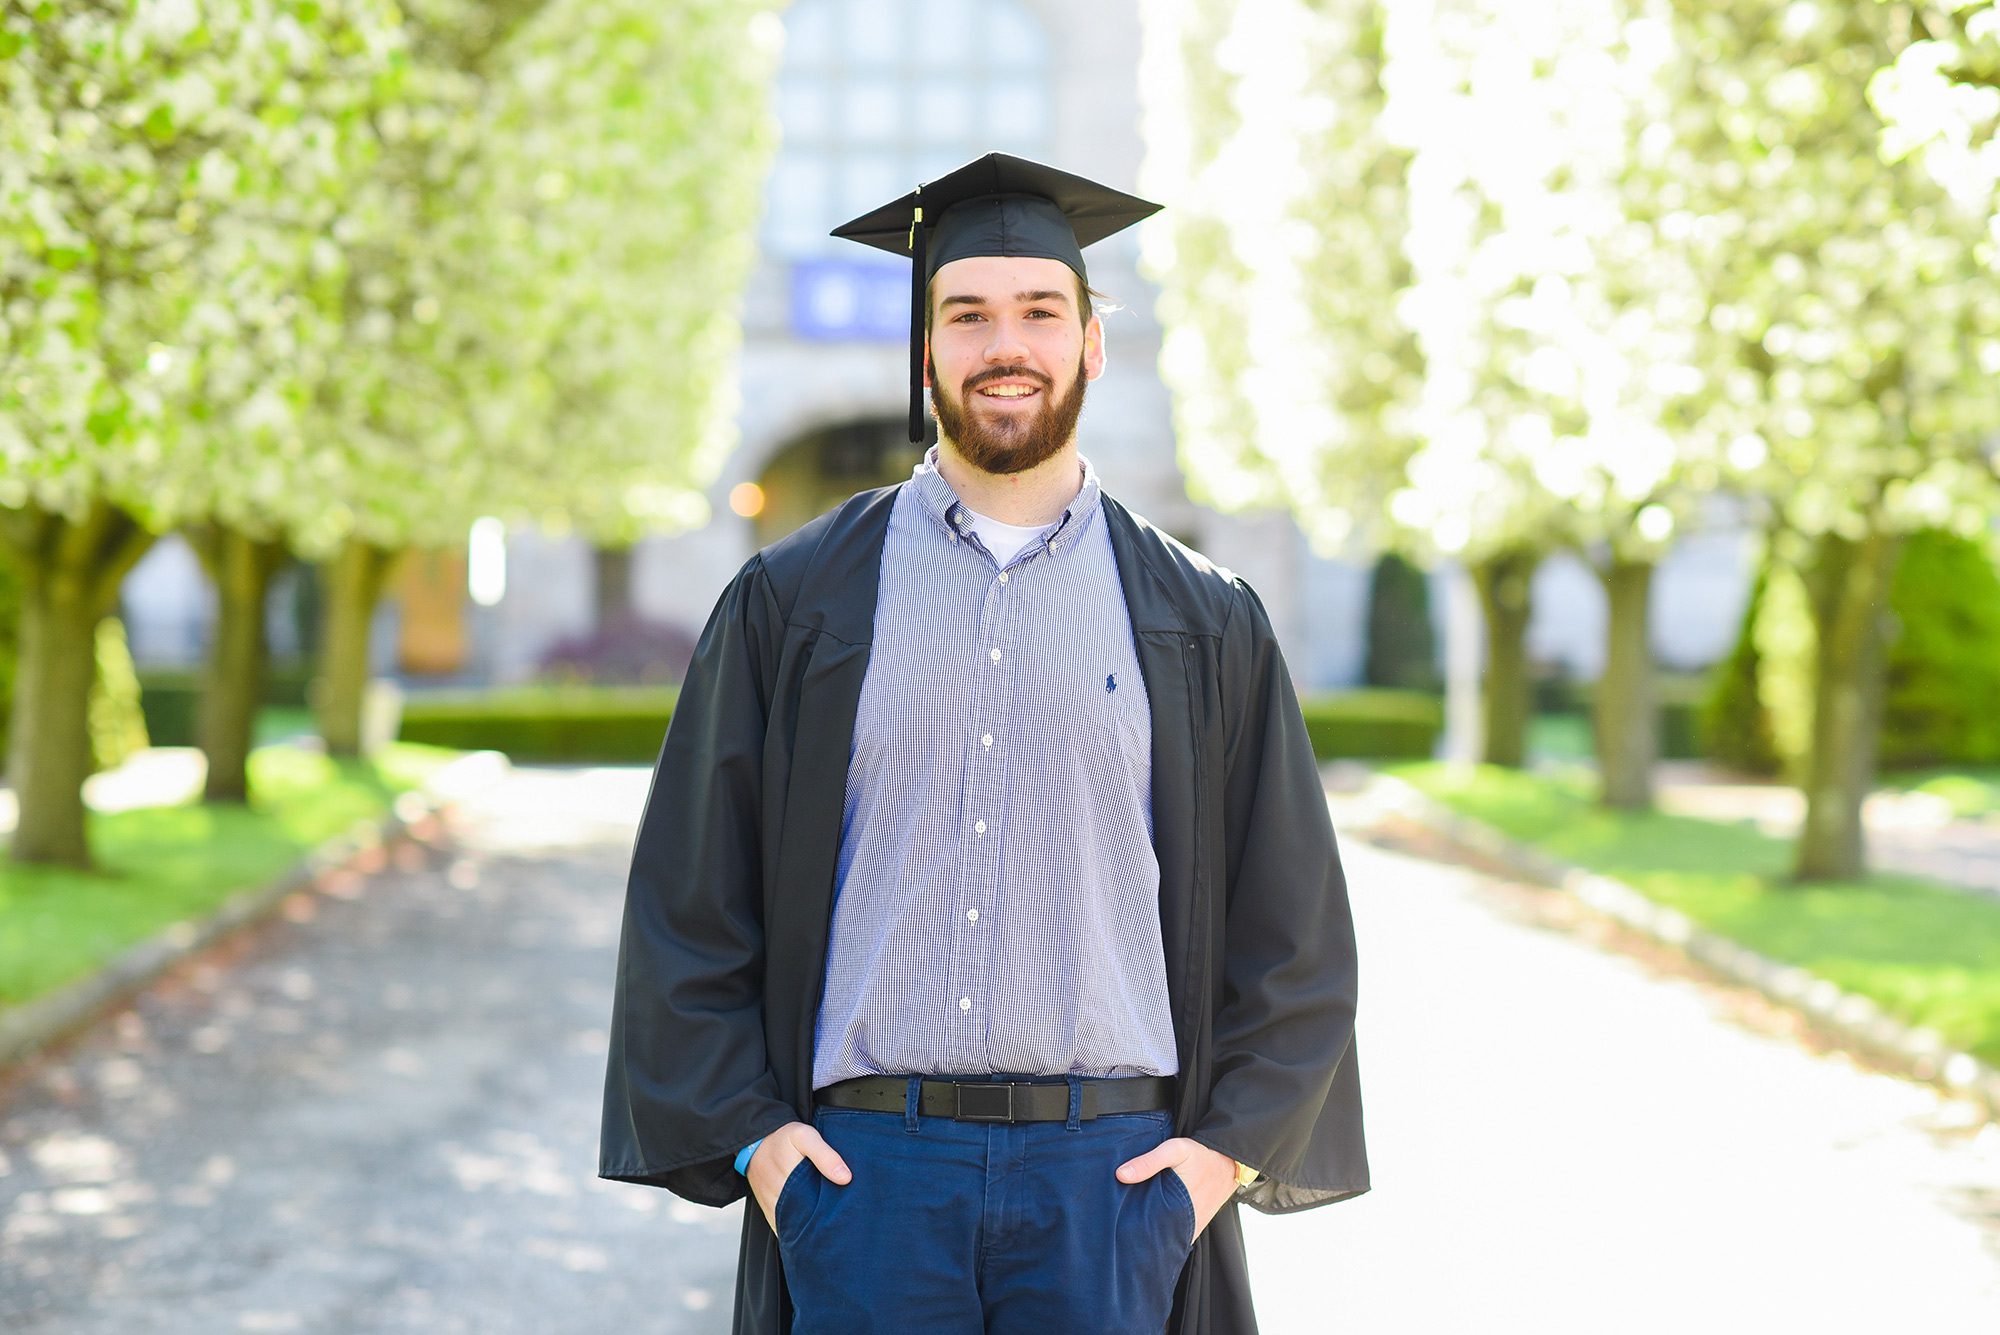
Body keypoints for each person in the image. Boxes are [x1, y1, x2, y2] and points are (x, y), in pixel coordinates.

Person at [600, 153, 1367, 1335]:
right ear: (926, 349)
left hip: (1112, 1185)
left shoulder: (1201, 621)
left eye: (1038, 311)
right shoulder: (795, 603)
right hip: (863, 1182)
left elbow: (1295, 933)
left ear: (1090, 343)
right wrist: (766, 1156)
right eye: (966, 314)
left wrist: (1210, 1166)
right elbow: (687, 902)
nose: (1003, 342)